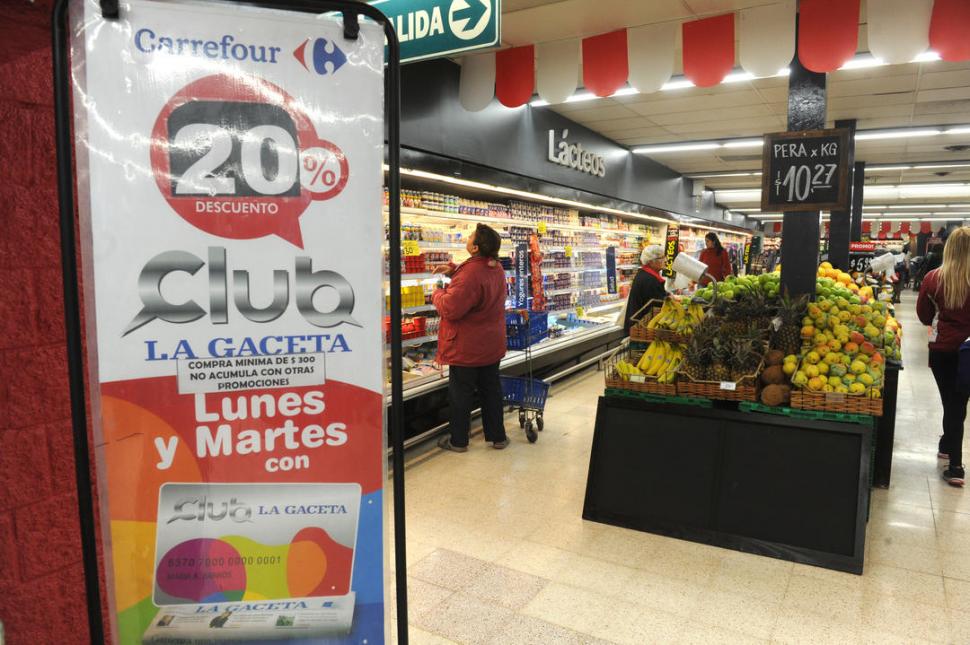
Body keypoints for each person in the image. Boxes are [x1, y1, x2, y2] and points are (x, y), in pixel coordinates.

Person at [431, 223, 510, 452]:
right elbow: (477, 279)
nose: (466, 238)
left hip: (467, 346)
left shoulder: (471, 274)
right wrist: (454, 270)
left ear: (475, 248)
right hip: (491, 344)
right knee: (491, 391)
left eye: (470, 237)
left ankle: (458, 441)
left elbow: (450, 308)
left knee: (460, 395)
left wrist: (437, 293)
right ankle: (498, 437)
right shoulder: (495, 266)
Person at [917, 228, 970, 487]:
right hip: (968, 350)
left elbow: (924, 315)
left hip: (943, 349)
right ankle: (947, 445)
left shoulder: (933, 278)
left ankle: (955, 466)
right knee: (958, 402)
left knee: (951, 402)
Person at [623, 245, 667, 334]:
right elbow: (657, 307)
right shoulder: (650, 280)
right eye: (661, 258)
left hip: (638, 326)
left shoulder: (644, 274)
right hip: (641, 330)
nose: (665, 260)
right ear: (651, 262)